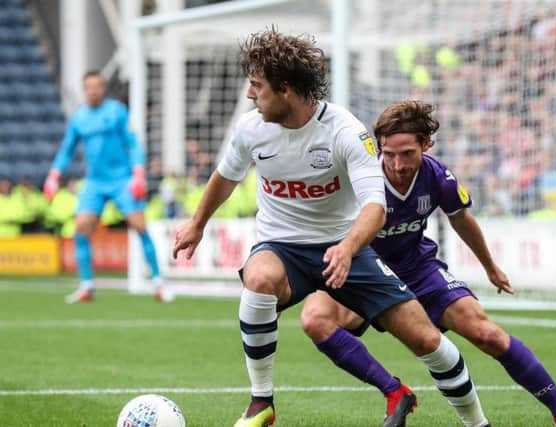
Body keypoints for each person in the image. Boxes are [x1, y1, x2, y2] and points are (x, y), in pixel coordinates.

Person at [172, 30, 489, 427]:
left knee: (427, 340)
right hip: (281, 246)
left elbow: (375, 206)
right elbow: (225, 176)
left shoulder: (344, 131)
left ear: (285, 88)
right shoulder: (250, 129)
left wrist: (347, 247)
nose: (250, 95)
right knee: (259, 278)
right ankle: (261, 402)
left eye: (257, 86)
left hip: (345, 249)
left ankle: (478, 423)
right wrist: (197, 223)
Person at [301, 100, 556, 427]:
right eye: (389, 154)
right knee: (315, 319)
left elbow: (462, 220)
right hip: (367, 271)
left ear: (426, 144)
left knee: (487, 333)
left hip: (418, 269)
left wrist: (490, 267)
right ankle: (394, 391)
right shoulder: (361, 176)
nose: (397, 164)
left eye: (407, 153)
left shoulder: (438, 176)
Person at [44, 71, 168, 304]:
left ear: (103, 88)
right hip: (94, 182)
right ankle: (86, 286)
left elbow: (133, 144)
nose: (93, 90)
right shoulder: (79, 119)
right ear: (84, 90)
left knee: (139, 225)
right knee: (81, 227)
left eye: (97, 86)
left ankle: (159, 283)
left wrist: (138, 174)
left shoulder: (117, 111)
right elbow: (66, 150)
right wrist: (53, 175)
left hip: (122, 179)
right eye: (89, 87)